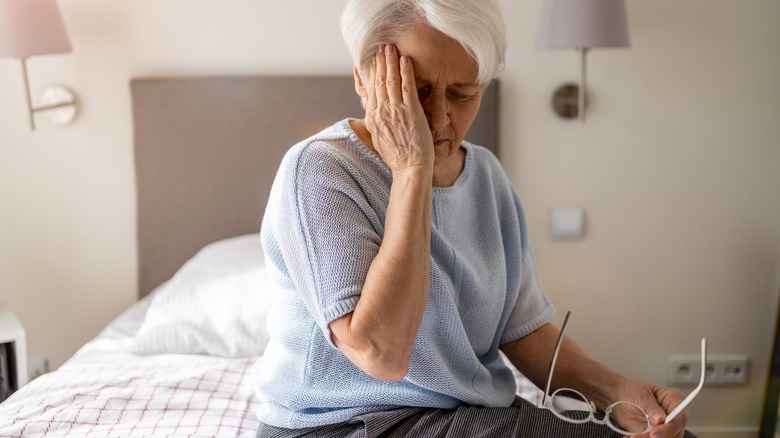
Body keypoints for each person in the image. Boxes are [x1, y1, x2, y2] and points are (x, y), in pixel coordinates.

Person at [253, 0, 696, 437]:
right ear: (365, 79)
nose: (440, 118)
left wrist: (618, 392)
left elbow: (523, 331)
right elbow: (381, 355)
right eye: (418, 90)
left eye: (462, 93)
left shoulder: (485, 175)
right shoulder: (319, 170)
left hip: (462, 413)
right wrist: (412, 169)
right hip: (347, 424)